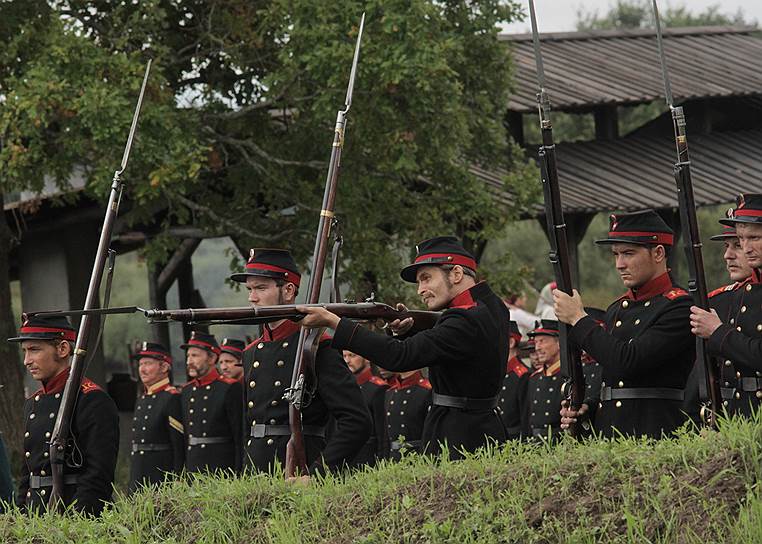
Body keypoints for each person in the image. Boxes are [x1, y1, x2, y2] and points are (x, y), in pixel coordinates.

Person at [299, 236, 509, 459]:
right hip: (477, 427)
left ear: (456, 274)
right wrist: (409, 329)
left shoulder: (465, 320)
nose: (421, 290)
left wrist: (335, 323)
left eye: (427, 278)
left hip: (457, 436)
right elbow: (455, 350)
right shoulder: (490, 306)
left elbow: (399, 357)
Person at [556, 210, 695, 438]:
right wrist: (588, 409)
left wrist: (578, 319)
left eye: (628, 253)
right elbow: (614, 381)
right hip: (612, 436)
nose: (620, 264)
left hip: (655, 433)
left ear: (658, 253)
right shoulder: (617, 308)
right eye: (616, 254)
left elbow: (627, 362)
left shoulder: (679, 307)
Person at [230, 249, 370, 475]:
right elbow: (248, 428)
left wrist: (317, 474)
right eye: (250, 289)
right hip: (255, 474)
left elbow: (356, 422)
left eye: (261, 288)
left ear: (288, 290)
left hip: (300, 472)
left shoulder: (316, 347)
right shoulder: (251, 352)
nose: (251, 298)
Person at [10, 316, 119, 515]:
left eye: (34, 349)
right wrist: (21, 517)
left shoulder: (91, 399)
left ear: (62, 349)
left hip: (73, 517)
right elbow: (28, 475)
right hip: (36, 516)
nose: (27, 360)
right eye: (25, 351)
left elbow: (97, 477)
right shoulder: (32, 403)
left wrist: (76, 526)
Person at [691, 194, 762, 417]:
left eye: (754, 238)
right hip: (736, 417)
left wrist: (718, 331)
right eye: (742, 238)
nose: (746, 247)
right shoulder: (740, 294)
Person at [683, 220, 752, 422]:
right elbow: (700, 374)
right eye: (726, 246)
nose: (727, 255)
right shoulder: (718, 302)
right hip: (727, 420)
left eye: (737, 245)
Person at [180, 331, 243, 473]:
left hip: (222, 468)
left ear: (212, 358)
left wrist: (239, 472)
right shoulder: (187, 391)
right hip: (193, 468)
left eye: (195, 356)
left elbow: (239, 435)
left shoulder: (229, 388)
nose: (189, 361)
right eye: (188, 356)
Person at [128, 342, 184, 492]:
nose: (142, 369)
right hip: (139, 472)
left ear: (164, 367)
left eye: (147, 364)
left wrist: (179, 476)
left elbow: (178, 442)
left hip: (160, 473)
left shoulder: (171, 397)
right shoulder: (142, 398)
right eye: (140, 364)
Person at [343, 351, 389, 466]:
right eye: (344, 356)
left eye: (352, 356)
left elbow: (382, 433)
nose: (347, 361)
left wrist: (382, 463)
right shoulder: (344, 389)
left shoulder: (378, 389)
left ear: (367, 358)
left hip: (368, 460)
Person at [522, 320, 563, 440]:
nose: (537, 348)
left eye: (542, 341)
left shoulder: (569, 376)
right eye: (535, 342)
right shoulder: (534, 378)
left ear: (559, 343)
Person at [385, 369, 432, 460]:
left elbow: (430, 433)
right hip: (395, 457)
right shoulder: (390, 393)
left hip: (418, 456)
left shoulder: (426, 391)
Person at [497, 320, 529, 440]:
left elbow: (525, 419)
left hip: (514, 440)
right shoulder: (498, 373)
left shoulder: (522, 375)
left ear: (510, 342)